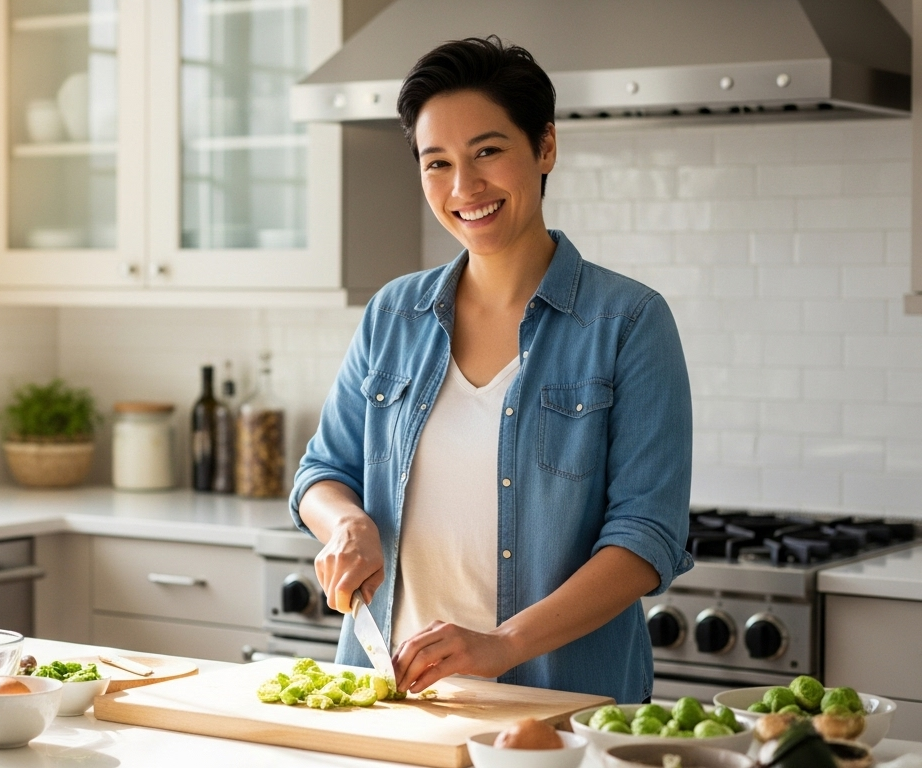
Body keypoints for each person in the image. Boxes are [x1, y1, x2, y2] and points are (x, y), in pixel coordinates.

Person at [289, 36, 692, 704]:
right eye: (437, 163)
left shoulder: (628, 322)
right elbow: (322, 472)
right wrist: (347, 525)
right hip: (392, 698)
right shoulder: (394, 313)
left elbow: (647, 538)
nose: (464, 187)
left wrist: (502, 644)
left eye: (487, 152)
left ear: (545, 147)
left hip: (558, 706)